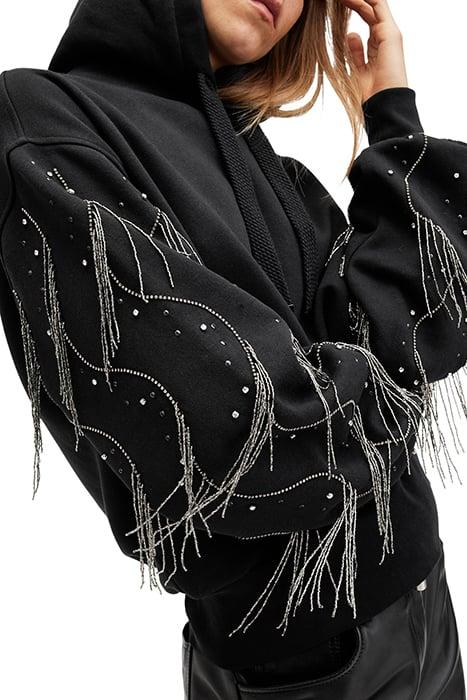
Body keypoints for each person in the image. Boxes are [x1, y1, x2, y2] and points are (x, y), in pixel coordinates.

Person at [0, 0, 465, 697]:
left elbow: (427, 311)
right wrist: (379, 385)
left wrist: (391, 114)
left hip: (424, 600)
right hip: (303, 663)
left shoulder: (276, 173)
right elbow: (248, 442)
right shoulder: (43, 121)